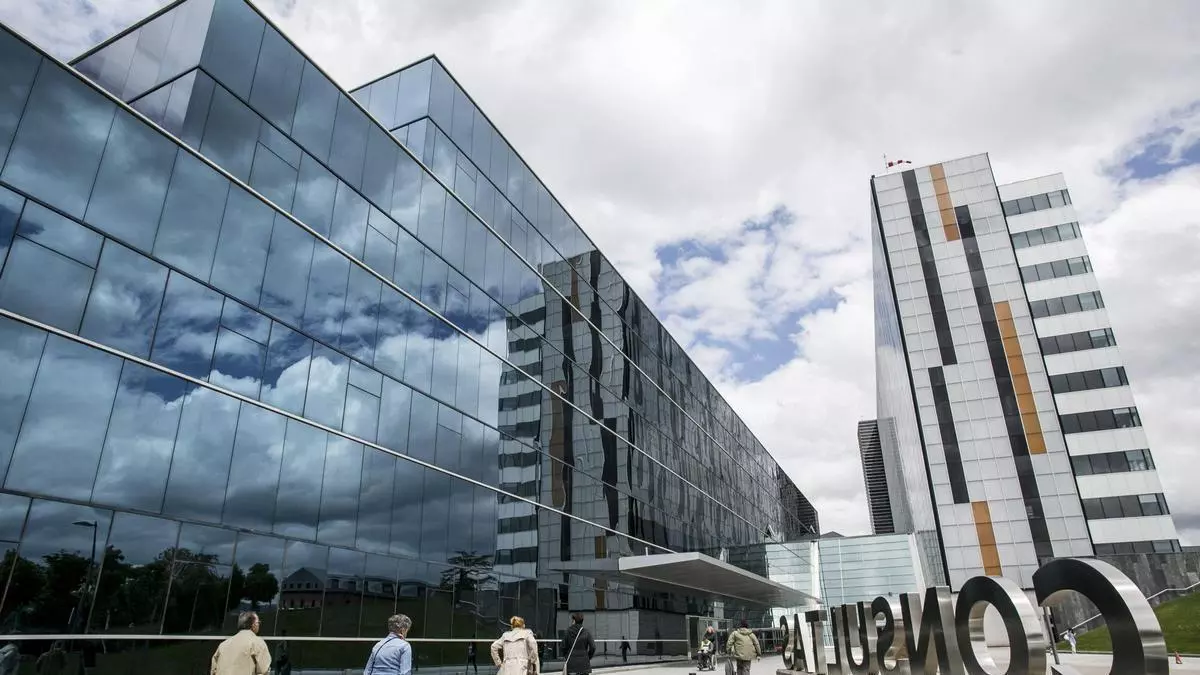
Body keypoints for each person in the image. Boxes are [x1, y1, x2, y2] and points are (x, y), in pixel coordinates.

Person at [211, 611, 272, 675]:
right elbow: (264, 670)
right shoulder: (257, 642)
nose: (259, 625)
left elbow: (213, 670)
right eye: (258, 622)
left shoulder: (223, 645)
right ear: (253, 624)